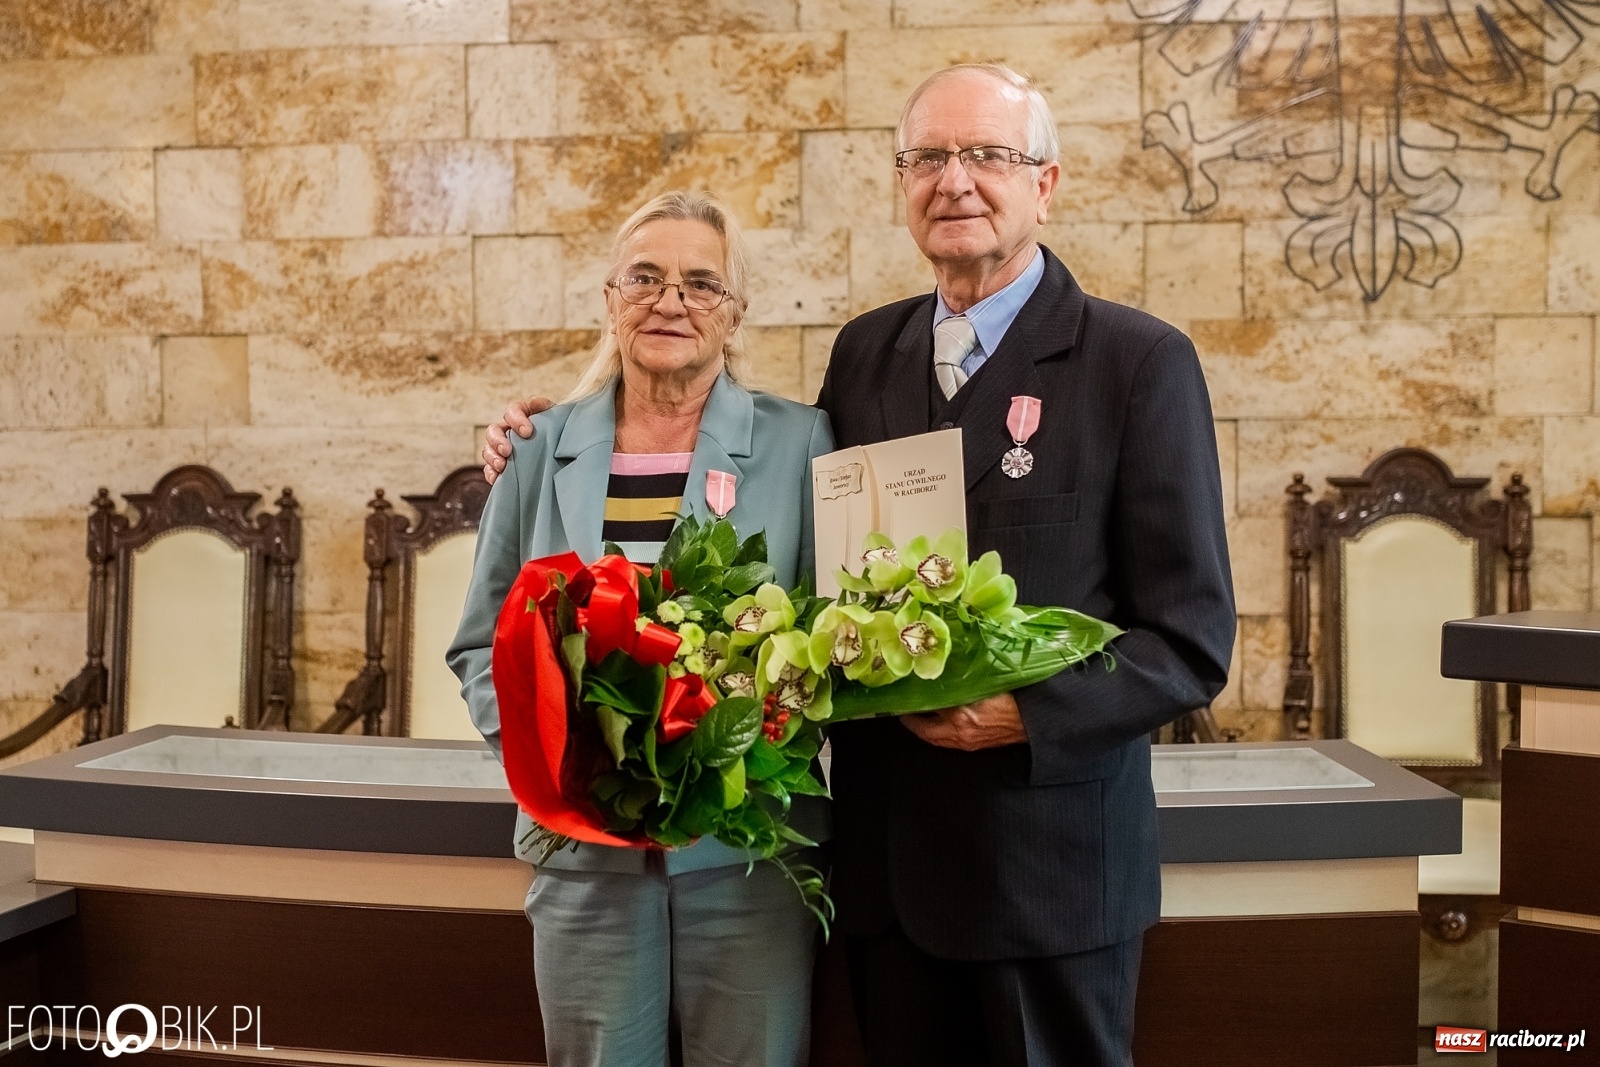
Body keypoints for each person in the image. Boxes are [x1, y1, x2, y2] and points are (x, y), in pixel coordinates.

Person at [482, 65, 1235, 1067]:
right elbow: (789, 533)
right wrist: (556, 425)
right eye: (927, 157)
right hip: (883, 886)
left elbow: (1188, 641)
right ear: (901, 183)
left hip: (1045, 881)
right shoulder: (866, 355)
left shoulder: (1136, 362)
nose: (954, 180)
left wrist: (1022, 711)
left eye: (987, 156)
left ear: (1045, 183)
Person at [448, 190, 834, 1067]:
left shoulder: (802, 442)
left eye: (702, 284)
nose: (671, 301)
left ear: (734, 316)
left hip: (746, 854)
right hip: (582, 857)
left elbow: (827, 644)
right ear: (609, 298)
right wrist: (562, 760)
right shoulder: (538, 447)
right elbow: (480, 642)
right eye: (646, 277)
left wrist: (745, 743)